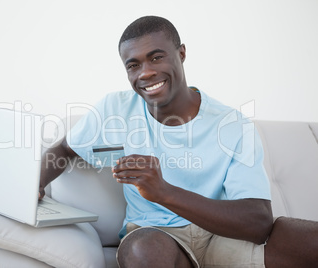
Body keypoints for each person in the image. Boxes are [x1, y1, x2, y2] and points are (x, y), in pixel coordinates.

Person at [39, 16, 318, 268]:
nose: (145, 73)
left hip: (221, 235)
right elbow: (64, 149)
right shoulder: (115, 109)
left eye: (156, 57)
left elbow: (257, 223)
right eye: (133, 65)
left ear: (181, 53)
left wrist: (163, 192)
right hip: (157, 237)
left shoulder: (232, 124)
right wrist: (35, 186)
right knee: (142, 251)